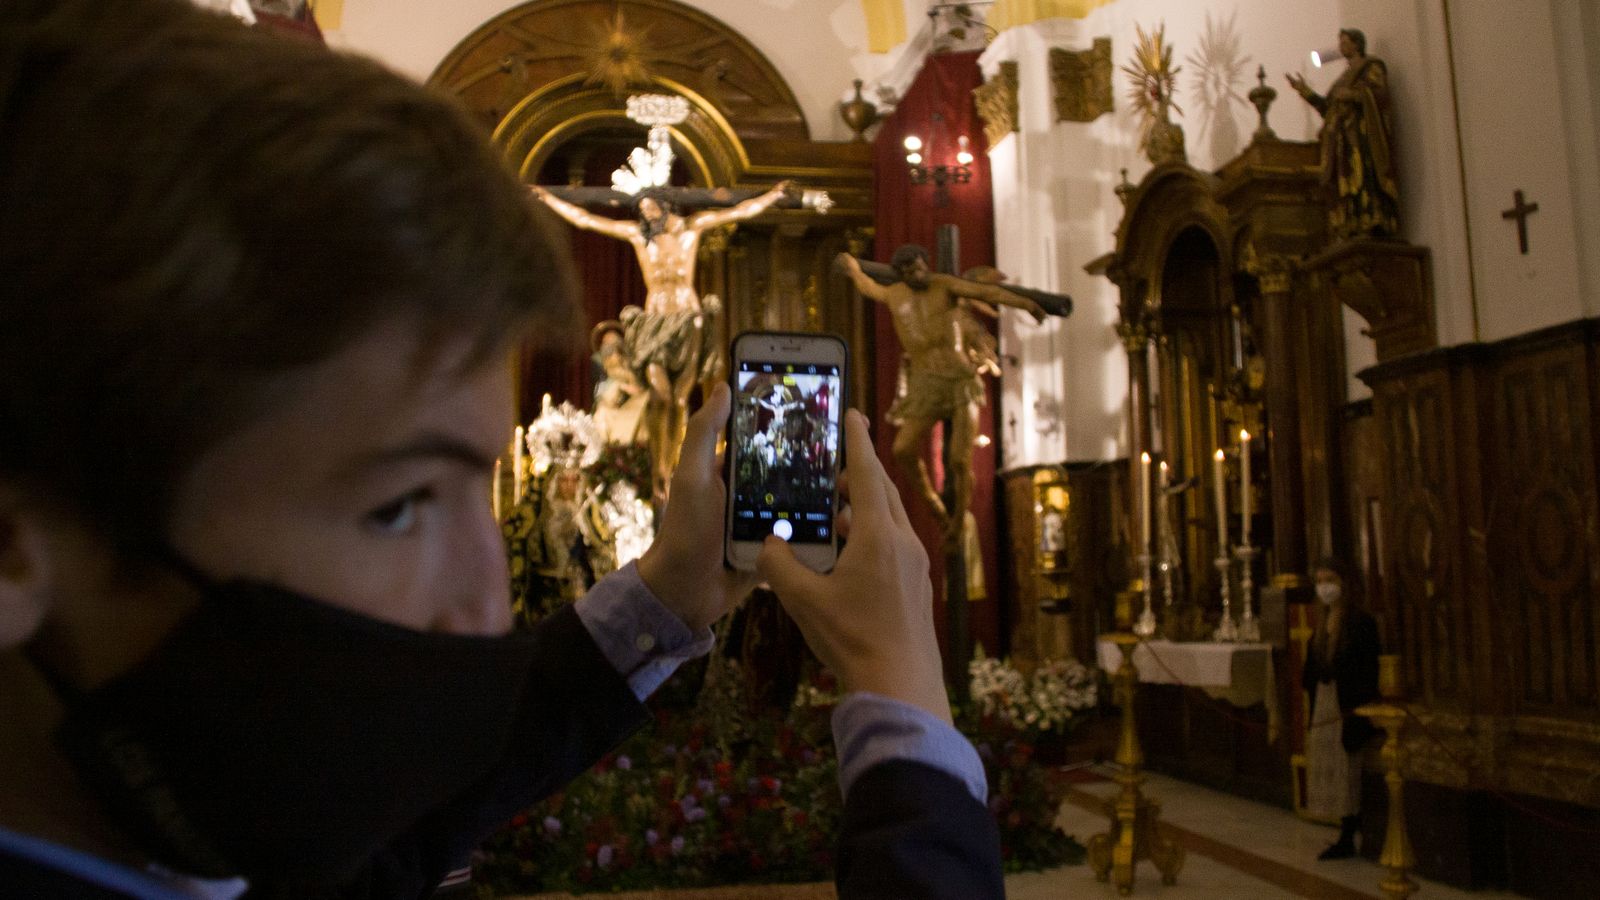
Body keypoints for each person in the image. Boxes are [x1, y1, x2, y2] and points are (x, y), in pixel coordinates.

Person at [0, 2, 1001, 898]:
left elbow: (405, 831)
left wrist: (674, 590)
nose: (487, 607)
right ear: (18, 544)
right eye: (397, 505)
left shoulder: (211, 836)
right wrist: (900, 695)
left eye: (474, 487)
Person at [530, 181, 794, 505]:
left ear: (666, 205)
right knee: (660, 395)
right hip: (655, 322)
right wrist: (549, 198)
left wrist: (772, 195)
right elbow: (586, 220)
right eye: (642, 210)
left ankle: (674, 469)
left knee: (680, 399)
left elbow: (739, 210)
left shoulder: (692, 229)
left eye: (651, 208)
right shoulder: (638, 236)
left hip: (688, 321)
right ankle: (659, 468)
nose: (647, 215)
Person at [836, 246, 1047, 547]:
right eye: (910, 272)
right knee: (903, 449)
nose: (917, 274)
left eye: (920, 267)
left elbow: (986, 292)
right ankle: (934, 503)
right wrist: (853, 268)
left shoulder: (945, 286)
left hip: (960, 381)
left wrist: (1027, 303)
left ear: (927, 264)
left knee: (959, 461)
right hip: (925, 383)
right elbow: (868, 286)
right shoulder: (895, 294)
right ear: (902, 275)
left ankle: (958, 519)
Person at [1286, 28, 1401, 239]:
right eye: (1340, 43)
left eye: (1345, 42)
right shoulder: (1343, 78)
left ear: (1357, 44)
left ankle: (1372, 217)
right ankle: (1353, 222)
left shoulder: (1371, 67)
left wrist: (1355, 95)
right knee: (1347, 183)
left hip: (1363, 136)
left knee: (1364, 175)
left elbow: (1381, 95)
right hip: (1343, 141)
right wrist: (1305, 91)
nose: (1341, 46)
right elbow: (1327, 109)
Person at [1302, 557, 1381, 860]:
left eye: (1330, 580)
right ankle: (1344, 829)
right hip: (1325, 701)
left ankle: (1350, 832)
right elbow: (1312, 665)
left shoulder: (1359, 622)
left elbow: (1365, 666)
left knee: (1347, 768)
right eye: (1320, 581)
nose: (1324, 587)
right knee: (1330, 764)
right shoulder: (1321, 622)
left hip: (1347, 703)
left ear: (1344, 584)